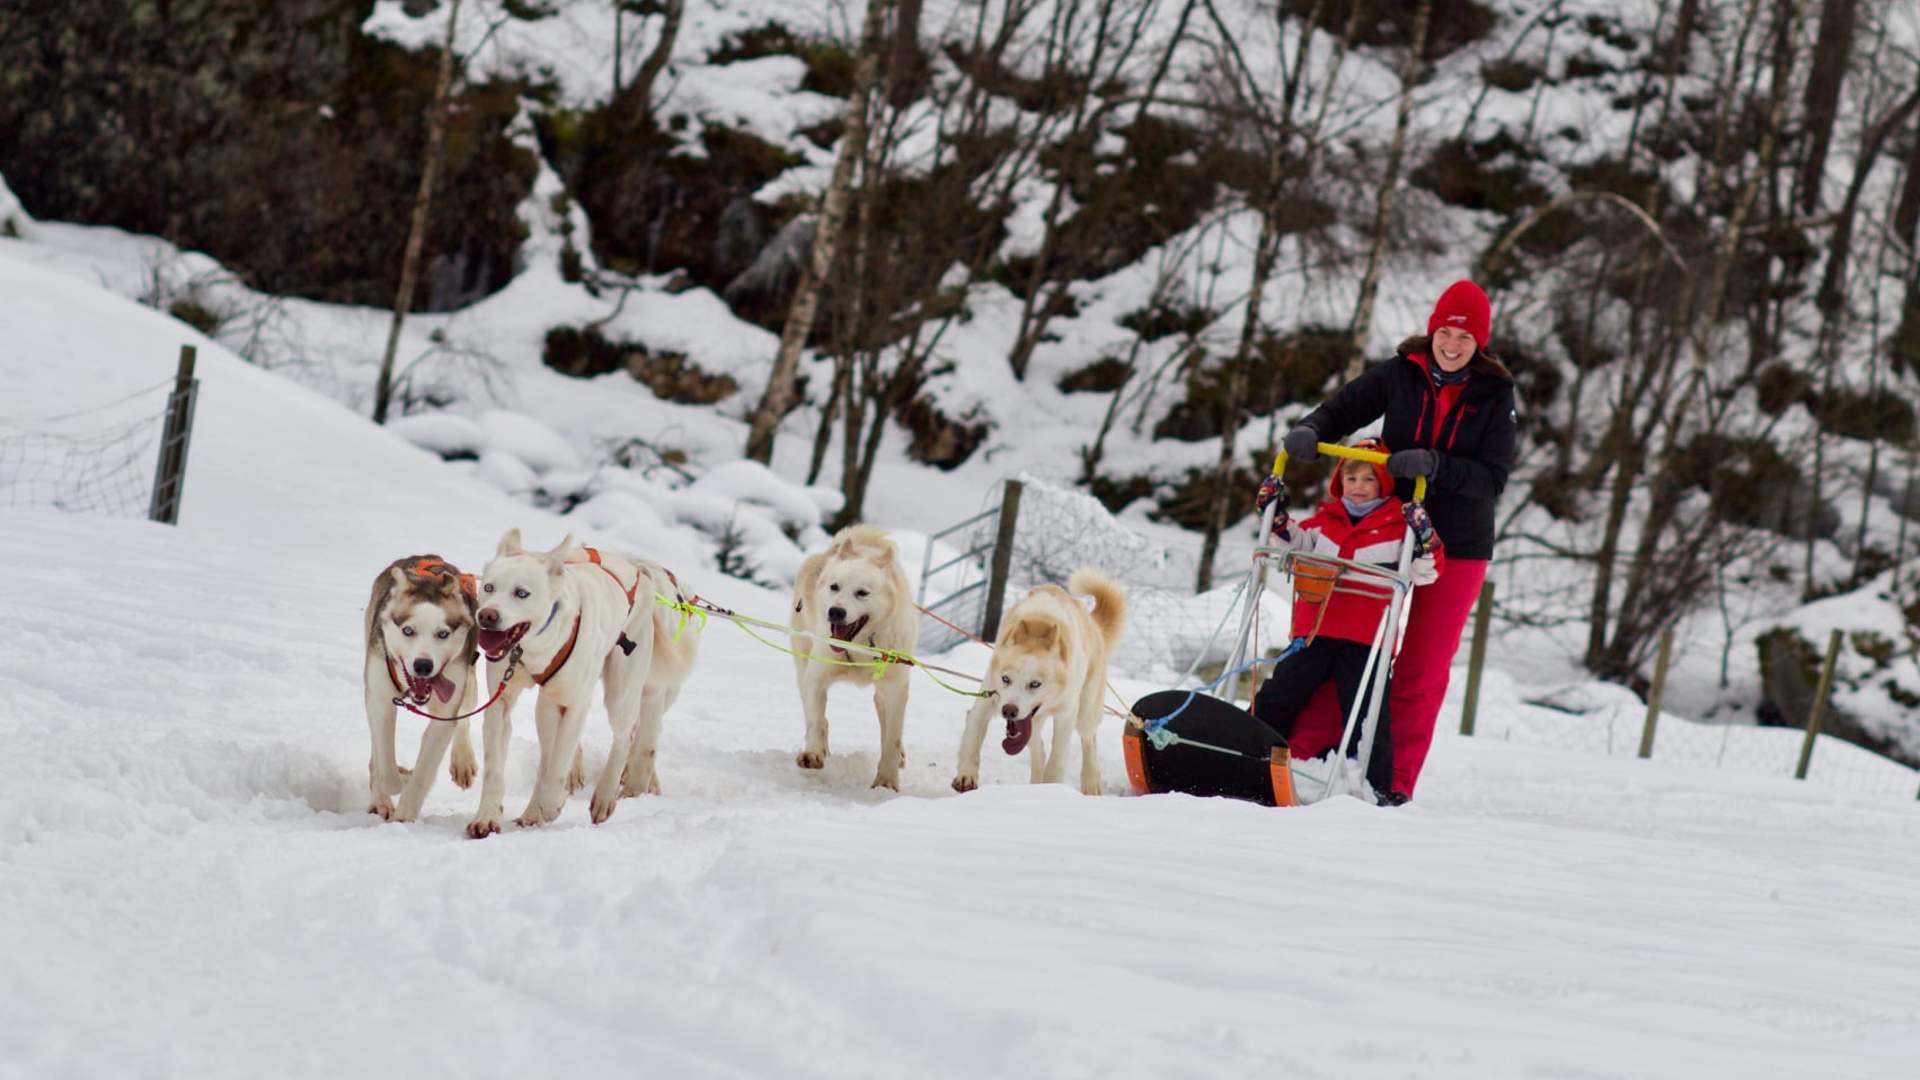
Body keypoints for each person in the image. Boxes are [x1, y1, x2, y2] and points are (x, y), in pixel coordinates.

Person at [1275, 279, 1517, 801]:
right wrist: (1310, 430)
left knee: (1421, 666)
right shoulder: (1400, 373)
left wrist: (1436, 465)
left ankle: (1393, 782)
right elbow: (1343, 408)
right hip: (1383, 531)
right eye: (1446, 333)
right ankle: (1304, 754)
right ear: (1433, 331)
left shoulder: (1494, 396)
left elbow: (1493, 478)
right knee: (1345, 643)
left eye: (1465, 338)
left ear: (1481, 344)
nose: (1453, 345)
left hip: (1458, 542)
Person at [1252, 441, 1440, 805]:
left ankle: (1377, 787)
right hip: (1316, 632)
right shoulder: (1325, 520)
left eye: (1367, 479)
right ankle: (1247, 752)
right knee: (1279, 694)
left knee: (1369, 713)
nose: (1357, 485)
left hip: (1365, 640)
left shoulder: (1396, 529)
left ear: (1383, 484)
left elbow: (1425, 572)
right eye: (1350, 477)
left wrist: (1424, 539)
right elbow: (1298, 540)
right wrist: (1276, 517)